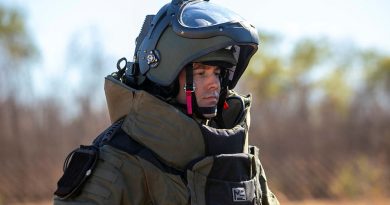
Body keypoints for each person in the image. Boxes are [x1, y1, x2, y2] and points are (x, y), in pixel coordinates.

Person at [53, 0, 279, 204]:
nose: (214, 84)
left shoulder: (237, 155)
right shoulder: (117, 161)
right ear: (166, 76)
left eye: (218, 73)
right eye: (200, 73)